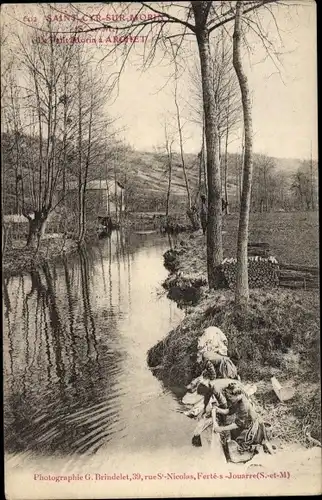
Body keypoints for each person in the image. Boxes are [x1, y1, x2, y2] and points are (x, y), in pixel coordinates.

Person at [211, 382, 274, 460]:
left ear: (236, 395)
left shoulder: (243, 406)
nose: (229, 398)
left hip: (251, 425)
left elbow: (238, 424)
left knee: (242, 443)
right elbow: (230, 411)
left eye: (230, 396)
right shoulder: (238, 398)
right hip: (245, 422)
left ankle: (256, 449)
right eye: (228, 396)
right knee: (234, 435)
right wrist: (218, 410)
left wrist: (221, 428)